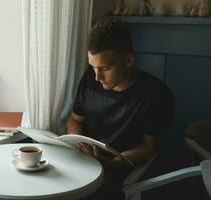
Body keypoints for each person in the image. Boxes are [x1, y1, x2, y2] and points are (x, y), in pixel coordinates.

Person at [66, 19, 175, 199]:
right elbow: (75, 119)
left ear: (128, 60)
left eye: (105, 68)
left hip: (118, 169)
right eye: (93, 67)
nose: (97, 77)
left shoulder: (157, 95)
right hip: (83, 160)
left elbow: (150, 147)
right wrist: (78, 145)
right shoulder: (89, 80)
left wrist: (113, 163)